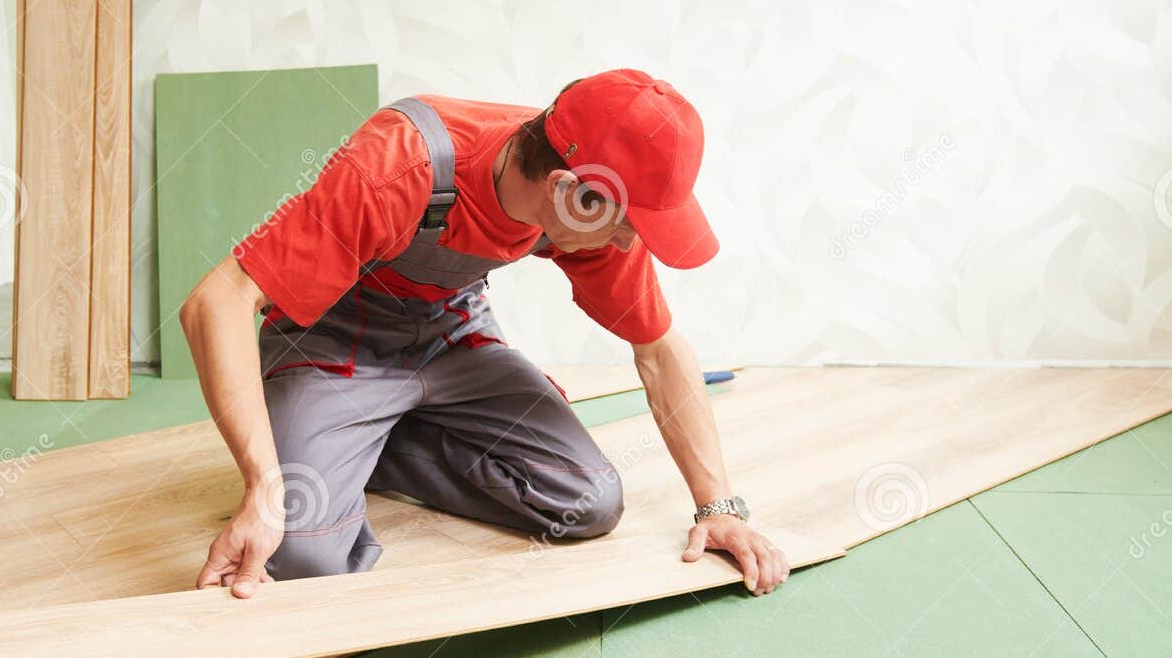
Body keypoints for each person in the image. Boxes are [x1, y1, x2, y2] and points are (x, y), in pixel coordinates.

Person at [178, 69, 789, 599]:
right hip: (339, 345)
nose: (631, 244)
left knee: (588, 501)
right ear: (569, 194)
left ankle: (374, 445)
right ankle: (338, 441)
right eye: (627, 227)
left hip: (451, 335)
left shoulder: (591, 196)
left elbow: (658, 349)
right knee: (300, 557)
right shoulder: (398, 166)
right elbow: (217, 301)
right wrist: (264, 484)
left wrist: (719, 509)